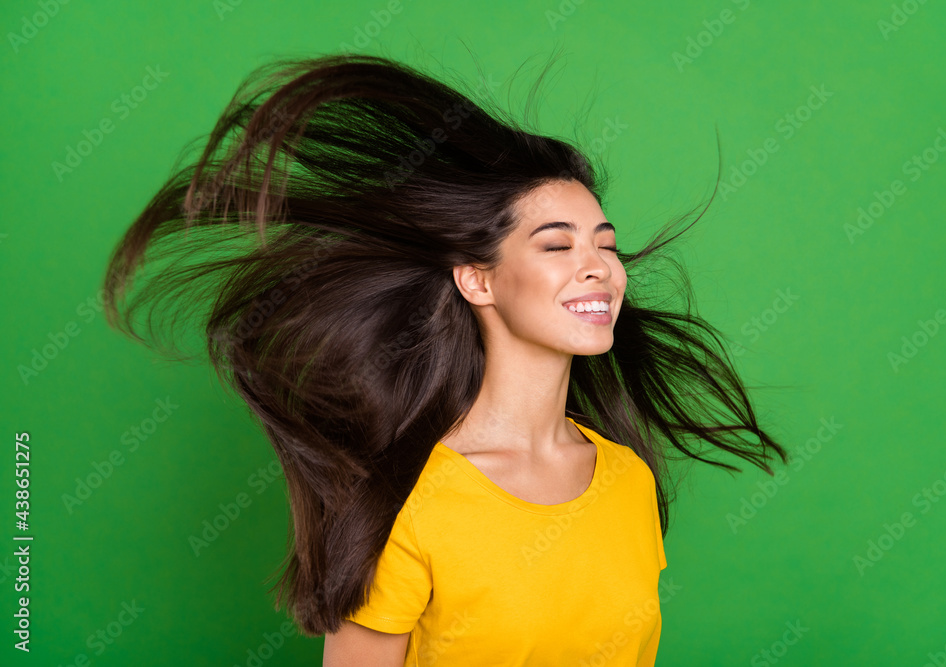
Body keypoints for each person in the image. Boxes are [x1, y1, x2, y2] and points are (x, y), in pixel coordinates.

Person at [101, 51, 787, 666]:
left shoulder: (629, 481)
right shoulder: (408, 497)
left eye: (605, 243)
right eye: (557, 245)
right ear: (477, 279)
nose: (599, 267)